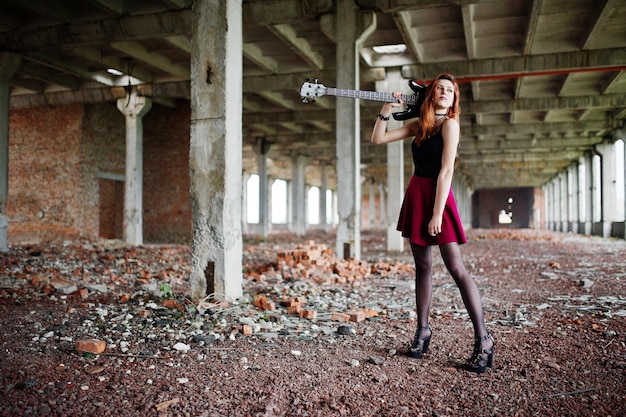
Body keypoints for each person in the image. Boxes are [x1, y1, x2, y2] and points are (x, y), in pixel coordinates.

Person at [371, 72, 495, 373]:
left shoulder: (449, 125)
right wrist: (387, 108)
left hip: (438, 197)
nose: (443, 93)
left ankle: (484, 340)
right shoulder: (419, 125)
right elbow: (378, 139)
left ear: (453, 99)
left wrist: (438, 213)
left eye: (449, 91)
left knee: (456, 267)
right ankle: (423, 332)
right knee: (423, 267)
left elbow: (447, 172)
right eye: (439, 89)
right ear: (430, 95)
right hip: (417, 192)